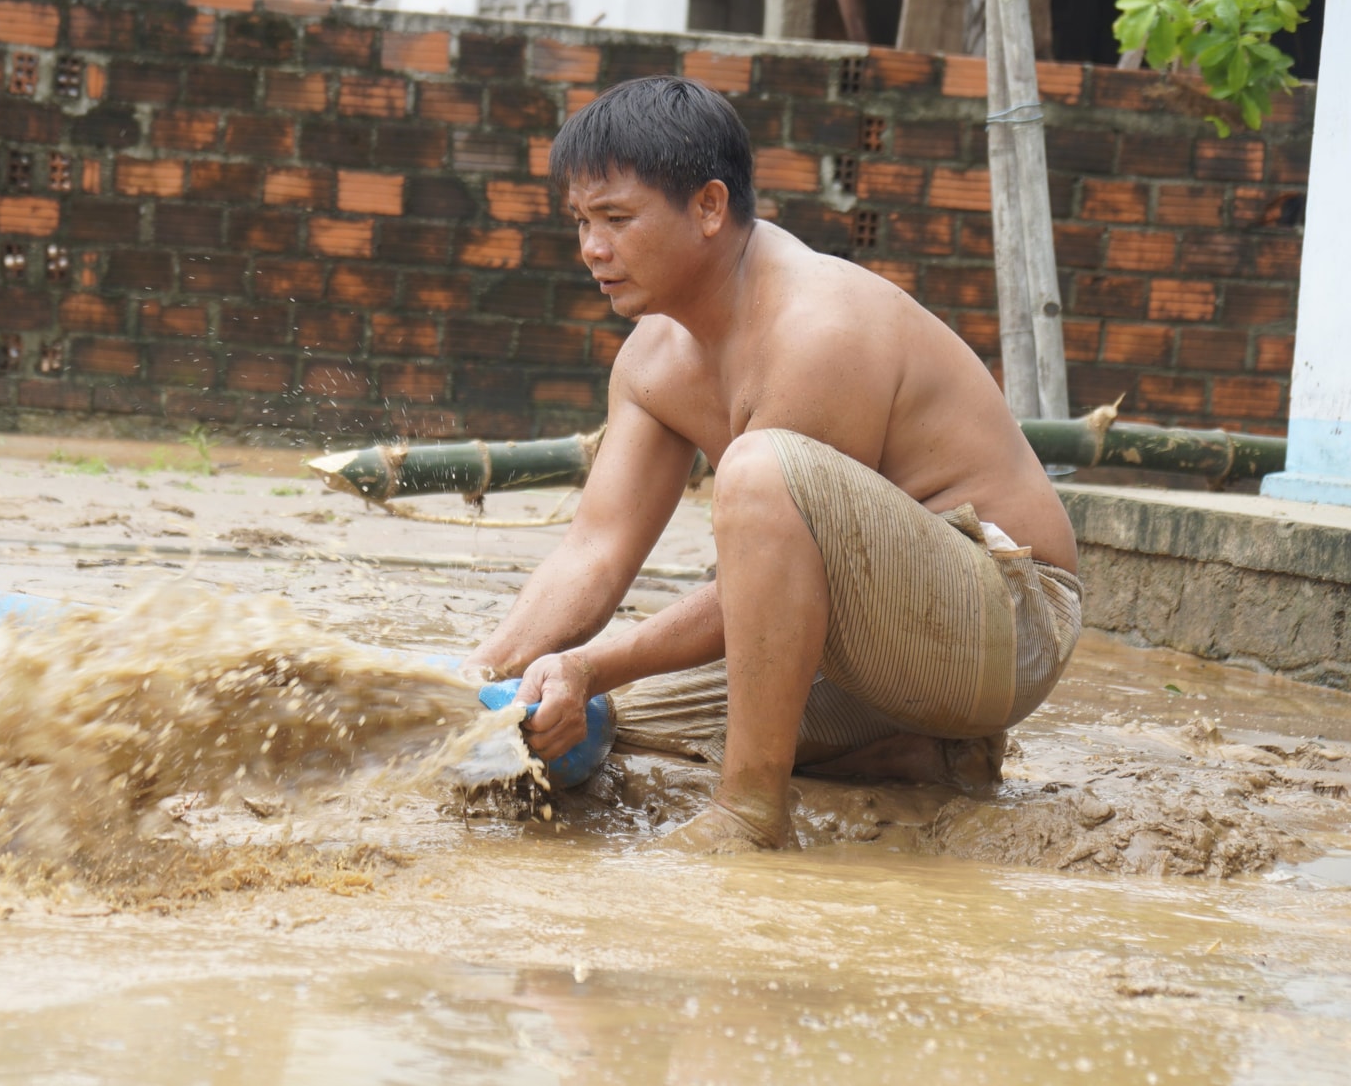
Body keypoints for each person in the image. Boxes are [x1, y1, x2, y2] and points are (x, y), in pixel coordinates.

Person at [459, 75, 1084, 852]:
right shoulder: (652, 358)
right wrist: (479, 675)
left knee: (758, 473)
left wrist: (589, 660)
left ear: (709, 208)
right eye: (582, 220)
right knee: (574, 719)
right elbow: (595, 548)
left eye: (617, 218)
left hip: (1002, 625)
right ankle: (910, 754)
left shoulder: (816, 325)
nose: (592, 248)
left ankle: (750, 811)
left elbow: (763, 564)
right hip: (865, 649)